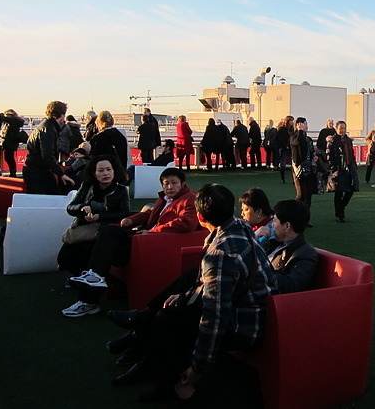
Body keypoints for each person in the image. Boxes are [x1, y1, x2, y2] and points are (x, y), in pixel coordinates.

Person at [109, 184, 277, 405]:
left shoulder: (221, 252)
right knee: (177, 301)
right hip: (245, 308)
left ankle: (172, 384)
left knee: (171, 320)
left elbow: (214, 318)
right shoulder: (238, 227)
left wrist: (198, 366)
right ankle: (147, 340)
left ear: (200, 216)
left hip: (244, 324)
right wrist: (184, 295)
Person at [61, 167, 199, 318]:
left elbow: (186, 223)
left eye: (174, 183)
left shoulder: (189, 198)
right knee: (108, 233)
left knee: (108, 247)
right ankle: (94, 279)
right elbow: (148, 214)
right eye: (166, 184)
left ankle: (89, 298)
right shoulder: (164, 198)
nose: (170, 187)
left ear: (183, 184)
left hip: (153, 242)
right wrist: (131, 220)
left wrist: (153, 231)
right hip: (144, 237)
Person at [56, 155, 131, 295]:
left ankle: (88, 278)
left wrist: (100, 216)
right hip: (83, 230)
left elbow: (124, 213)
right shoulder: (86, 186)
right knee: (64, 257)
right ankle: (76, 274)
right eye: (101, 170)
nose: (106, 173)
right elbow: (70, 207)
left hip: (104, 233)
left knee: (87, 251)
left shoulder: (121, 190)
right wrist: (82, 208)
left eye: (109, 169)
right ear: (94, 173)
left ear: (114, 171)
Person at [262, 199, 318, 293]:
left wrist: (259, 271)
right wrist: (254, 239)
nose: (272, 224)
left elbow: (291, 286)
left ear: (287, 226)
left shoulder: (305, 254)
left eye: (275, 221)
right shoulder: (272, 242)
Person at [22, 101, 75, 194]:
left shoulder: (45, 126)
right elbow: (47, 155)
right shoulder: (49, 129)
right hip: (38, 172)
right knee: (51, 198)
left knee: (47, 199)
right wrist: (61, 174)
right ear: (62, 115)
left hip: (36, 170)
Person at [326, 120, 359, 223]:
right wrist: (333, 168)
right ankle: (339, 214)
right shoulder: (332, 141)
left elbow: (351, 153)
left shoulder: (348, 140)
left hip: (349, 167)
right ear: (336, 129)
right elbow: (329, 156)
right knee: (339, 192)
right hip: (338, 169)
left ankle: (341, 209)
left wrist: (353, 163)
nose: (343, 130)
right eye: (341, 128)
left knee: (351, 190)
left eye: (344, 128)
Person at [290, 116, 317, 208]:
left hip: (309, 168)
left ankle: (305, 218)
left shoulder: (308, 139)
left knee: (309, 194)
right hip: (299, 170)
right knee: (301, 194)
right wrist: (300, 131)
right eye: (304, 124)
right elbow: (298, 142)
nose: (306, 126)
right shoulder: (293, 137)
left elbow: (311, 151)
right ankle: (294, 214)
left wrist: (314, 156)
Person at [0, 108, 25, 178]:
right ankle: (13, 172)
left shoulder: (11, 119)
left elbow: (2, 118)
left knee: (9, 158)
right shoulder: (15, 120)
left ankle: (13, 173)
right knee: (10, 158)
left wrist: (0, 115)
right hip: (12, 142)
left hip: (9, 142)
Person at [274, 115, 293, 183]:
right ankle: (283, 178)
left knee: (293, 165)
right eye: (291, 121)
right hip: (284, 148)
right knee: (283, 164)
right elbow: (276, 139)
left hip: (291, 148)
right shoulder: (282, 129)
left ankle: (294, 179)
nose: (292, 122)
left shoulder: (292, 130)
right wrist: (281, 146)